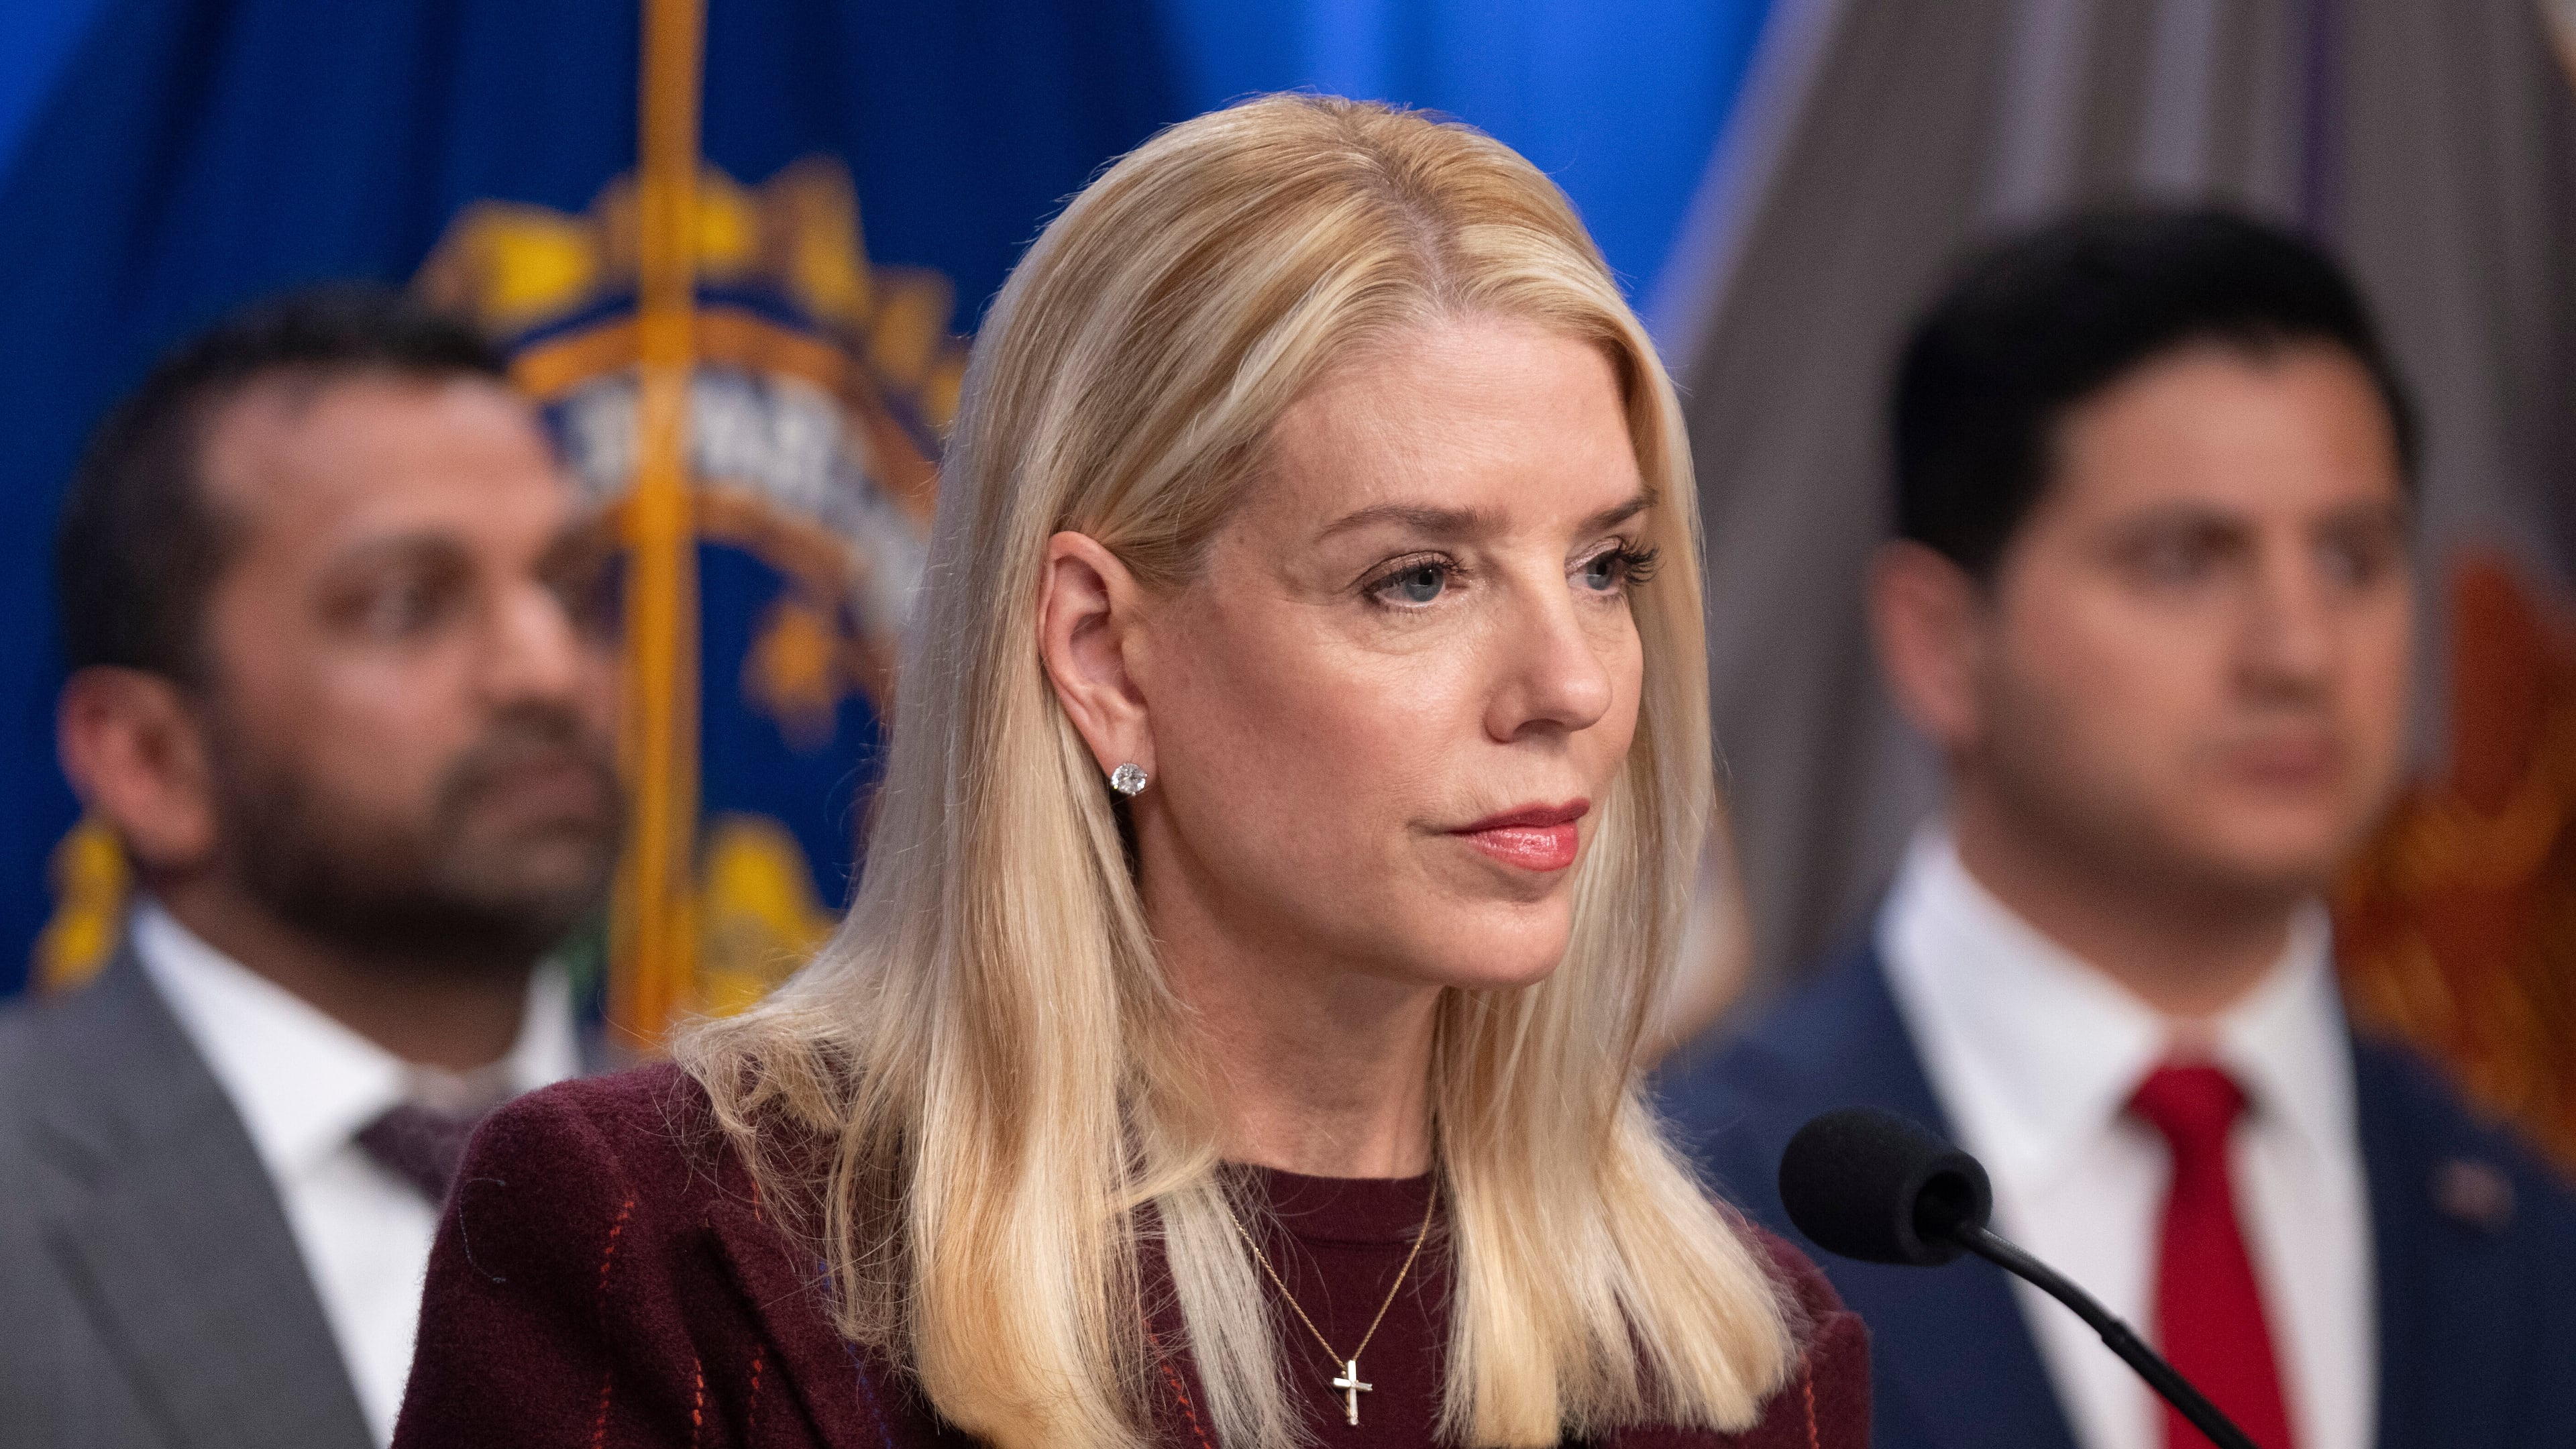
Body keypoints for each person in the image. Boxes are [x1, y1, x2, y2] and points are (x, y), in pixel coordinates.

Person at [390, 96, 1868, 1449]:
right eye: (1418, 580)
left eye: (1608, 565)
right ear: (1099, 651)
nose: (1576, 686)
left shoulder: (1736, 1355)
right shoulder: (678, 1250)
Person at [1659, 208, 2576, 1449]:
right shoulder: (1680, 1223)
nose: (2299, 652)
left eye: (2353, 559)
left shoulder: (2520, 1225)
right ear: (1939, 644)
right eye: (2185, 561)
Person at [0, 286, 623, 1449]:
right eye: (407, 606)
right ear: (149, 761)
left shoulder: (777, 1196)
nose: (546, 670)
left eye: (574, 592)